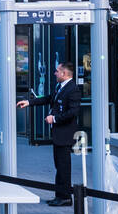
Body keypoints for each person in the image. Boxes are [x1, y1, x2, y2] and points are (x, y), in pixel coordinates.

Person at [17, 61, 80, 206]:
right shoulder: (61, 86)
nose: (55, 73)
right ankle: (60, 195)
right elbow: (49, 98)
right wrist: (29, 102)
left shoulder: (72, 89)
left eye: (57, 71)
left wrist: (55, 119)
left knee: (63, 166)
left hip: (65, 134)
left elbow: (73, 112)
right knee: (59, 165)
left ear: (64, 74)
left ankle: (64, 197)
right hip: (59, 133)